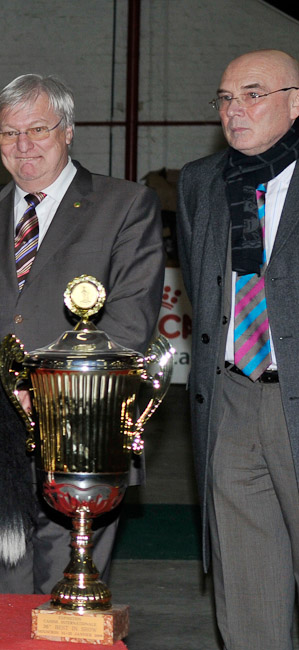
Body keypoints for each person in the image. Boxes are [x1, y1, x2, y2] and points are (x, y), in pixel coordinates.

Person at [0, 74, 164, 596]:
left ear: (68, 131)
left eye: (38, 130)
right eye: (8, 134)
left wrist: (47, 394)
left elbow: (130, 323)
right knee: (8, 597)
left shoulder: (125, 205)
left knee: (68, 598)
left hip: (84, 431)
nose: (23, 146)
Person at [177, 49, 299, 650]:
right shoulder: (201, 183)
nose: (235, 110)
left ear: (295, 102)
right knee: (248, 596)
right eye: (225, 98)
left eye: (253, 94)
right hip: (228, 400)